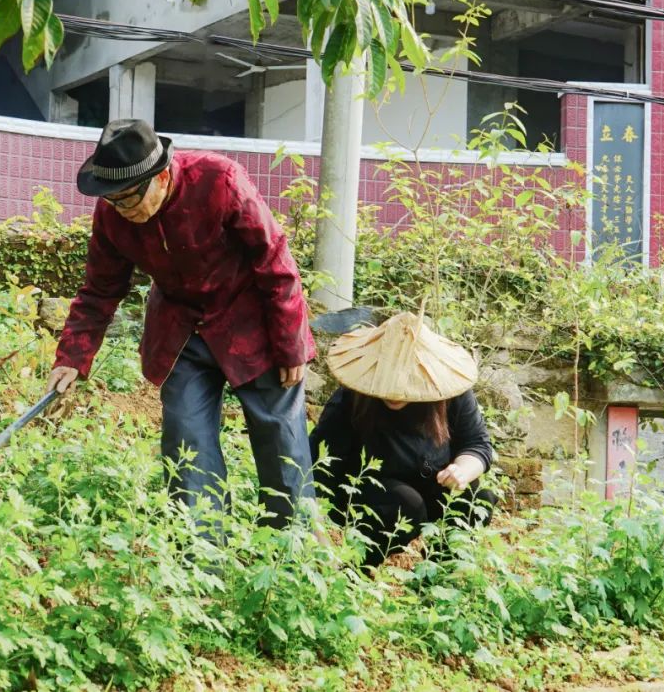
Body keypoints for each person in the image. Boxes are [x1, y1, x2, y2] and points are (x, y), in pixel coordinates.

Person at [46, 119, 316, 528]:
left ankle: (292, 551)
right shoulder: (114, 214)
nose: (125, 210)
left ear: (163, 175)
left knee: (281, 438)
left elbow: (274, 259)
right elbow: (99, 291)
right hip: (181, 331)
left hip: (252, 325)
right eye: (115, 201)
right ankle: (200, 559)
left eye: (131, 199)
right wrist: (72, 357)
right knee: (187, 443)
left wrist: (291, 343)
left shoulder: (219, 180)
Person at [309, 310, 498, 568]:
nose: (395, 390)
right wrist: (319, 539)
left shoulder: (449, 390)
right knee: (407, 503)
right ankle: (357, 571)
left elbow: (477, 444)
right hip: (369, 494)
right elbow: (318, 466)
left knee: (478, 498)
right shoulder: (352, 398)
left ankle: (436, 576)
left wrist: (462, 470)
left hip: (432, 483)